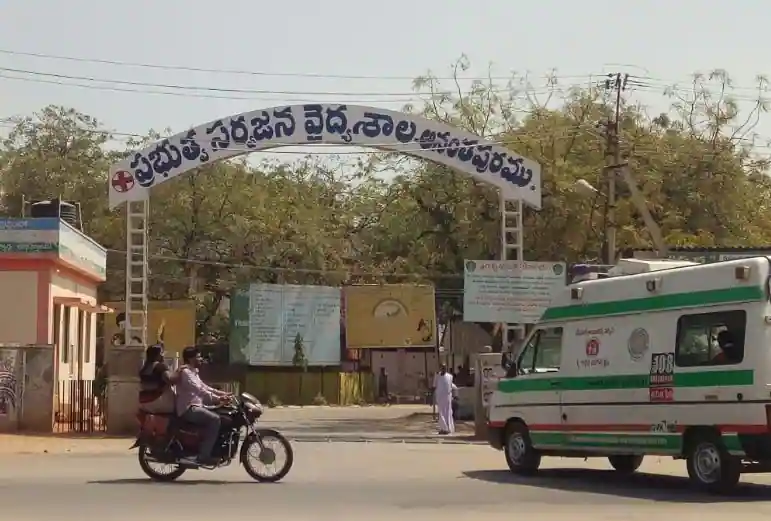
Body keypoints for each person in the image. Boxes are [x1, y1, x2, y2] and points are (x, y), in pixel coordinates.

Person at [176, 346, 232, 466]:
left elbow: (204, 386)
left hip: (197, 405)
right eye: (198, 357)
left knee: (221, 415)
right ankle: (204, 456)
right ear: (191, 359)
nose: (201, 359)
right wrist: (218, 399)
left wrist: (222, 393)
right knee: (214, 420)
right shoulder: (186, 373)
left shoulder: (193, 372)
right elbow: (199, 390)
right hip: (188, 408)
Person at [138, 343, 177, 414]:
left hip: (145, 402)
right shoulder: (160, 367)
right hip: (160, 402)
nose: (163, 355)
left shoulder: (144, 368)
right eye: (161, 353)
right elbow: (170, 380)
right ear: (157, 355)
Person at [433, 364, 455, 435]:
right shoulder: (437, 376)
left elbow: (451, 386)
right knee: (441, 413)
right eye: (442, 368)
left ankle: (448, 428)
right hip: (440, 397)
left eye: (444, 368)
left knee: (448, 413)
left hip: (447, 397)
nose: (443, 369)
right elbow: (434, 386)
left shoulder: (450, 376)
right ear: (440, 368)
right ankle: (443, 428)